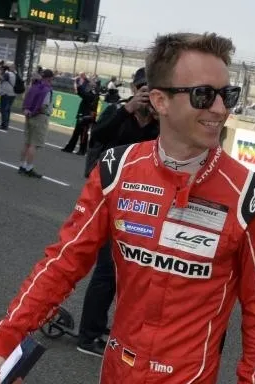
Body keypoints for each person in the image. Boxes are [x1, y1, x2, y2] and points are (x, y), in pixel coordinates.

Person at [0, 32, 255, 384]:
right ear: (160, 100)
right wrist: (7, 340)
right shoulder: (117, 168)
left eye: (228, 95)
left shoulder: (252, 197)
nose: (221, 109)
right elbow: (63, 262)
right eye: (204, 95)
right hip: (116, 369)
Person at [76, 67, 160, 357]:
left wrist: (160, 118)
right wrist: (128, 110)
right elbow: (98, 135)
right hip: (109, 199)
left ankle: (99, 326)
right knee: (106, 269)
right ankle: (88, 335)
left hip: (142, 204)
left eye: (153, 90)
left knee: (126, 271)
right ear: (135, 88)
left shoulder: (159, 123)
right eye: (143, 88)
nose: (147, 94)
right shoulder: (118, 111)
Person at [17, 69, 55, 179]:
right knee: (34, 144)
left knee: (27, 143)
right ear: (49, 78)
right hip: (40, 117)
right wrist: (36, 111)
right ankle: (29, 168)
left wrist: (28, 111)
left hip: (29, 116)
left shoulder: (34, 86)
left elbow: (26, 99)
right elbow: (43, 106)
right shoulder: (47, 90)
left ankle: (22, 165)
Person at [0, 63, 16, 130]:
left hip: (6, 94)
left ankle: (4, 125)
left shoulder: (8, 74)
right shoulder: (15, 74)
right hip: (12, 94)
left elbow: (1, 79)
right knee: (7, 110)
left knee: (3, 110)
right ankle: (5, 124)